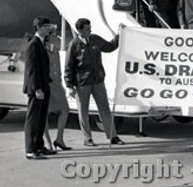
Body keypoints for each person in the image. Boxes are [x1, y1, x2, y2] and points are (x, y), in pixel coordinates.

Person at [64, 18, 125, 146]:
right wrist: (69, 86)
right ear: (79, 30)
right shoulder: (73, 45)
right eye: (87, 29)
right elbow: (68, 66)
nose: (90, 30)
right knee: (83, 112)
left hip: (97, 81)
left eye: (90, 28)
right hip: (82, 83)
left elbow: (110, 47)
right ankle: (88, 138)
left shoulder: (95, 39)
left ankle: (113, 136)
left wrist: (119, 35)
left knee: (105, 109)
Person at [23, 17, 54, 159]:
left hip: (43, 86)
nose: (49, 28)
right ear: (40, 27)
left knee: (41, 118)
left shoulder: (41, 43)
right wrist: (37, 88)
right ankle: (30, 149)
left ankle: (39, 146)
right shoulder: (33, 44)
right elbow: (31, 69)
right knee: (33, 119)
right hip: (37, 88)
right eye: (47, 26)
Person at [43, 28, 72, 152]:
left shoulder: (55, 50)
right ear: (48, 37)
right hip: (46, 85)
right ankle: (47, 141)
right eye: (55, 35)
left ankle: (59, 138)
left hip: (56, 84)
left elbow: (59, 70)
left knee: (65, 109)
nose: (58, 37)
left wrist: (61, 84)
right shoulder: (42, 50)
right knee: (44, 113)